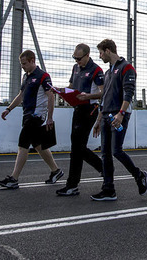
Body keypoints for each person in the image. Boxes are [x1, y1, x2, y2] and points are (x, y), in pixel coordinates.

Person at [90, 38, 147, 201]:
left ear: (108, 50)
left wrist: (121, 113)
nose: (100, 56)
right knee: (105, 153)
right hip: (106, 116)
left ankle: (139, 175)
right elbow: (105, 98)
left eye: (101, 53)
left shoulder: (126, 67)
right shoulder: (108, 73)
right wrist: (98, 120)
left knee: (116, 150)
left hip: (119, 115)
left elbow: (129, 93)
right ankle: (108, 189)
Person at [0, 49, 63, 189]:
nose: (23, 66)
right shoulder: (25, 76)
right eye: (21, 64)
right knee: (38, 145)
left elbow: (51, 96)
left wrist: (50, 117)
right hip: (27, 114)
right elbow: (21, 95)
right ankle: (56, 171)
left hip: (36, 116)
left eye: (25, 63)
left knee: (23, 145)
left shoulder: (43, 76)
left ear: (33, 60)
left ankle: (14, 178)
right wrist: (8, 109)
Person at [55, 44, 104, 197]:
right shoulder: (75, 68)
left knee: (77, 147)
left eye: (79, 58)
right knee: (77, 146)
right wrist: (61, 90)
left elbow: (104, 92)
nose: (77, 61)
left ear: (88, 55)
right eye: (74, 58)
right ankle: (102, 168)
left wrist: (88, 96)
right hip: (77, 108)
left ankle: (72, 184)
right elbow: (71, 87)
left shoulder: (96, 70)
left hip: (90, 109)